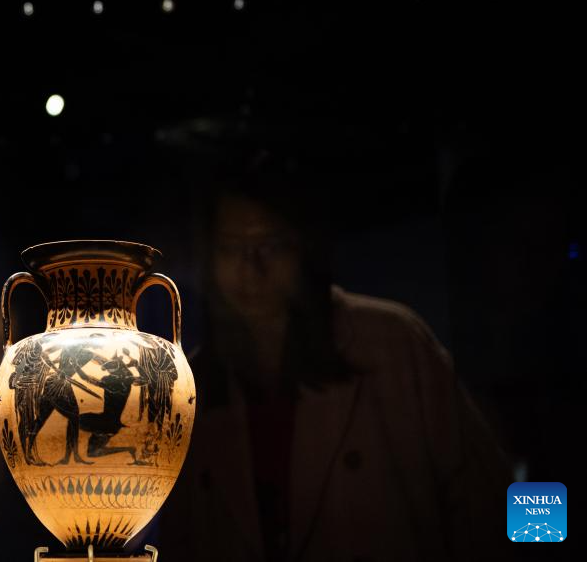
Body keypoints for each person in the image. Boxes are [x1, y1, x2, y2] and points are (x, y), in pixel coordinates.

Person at [158, 151, 515, 562]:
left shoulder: (391, 341)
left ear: (304, 248)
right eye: (230, 248)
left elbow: (488, 494)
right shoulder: (194, 383)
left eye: (271, 245)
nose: (251, 268)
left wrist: (547, 544)